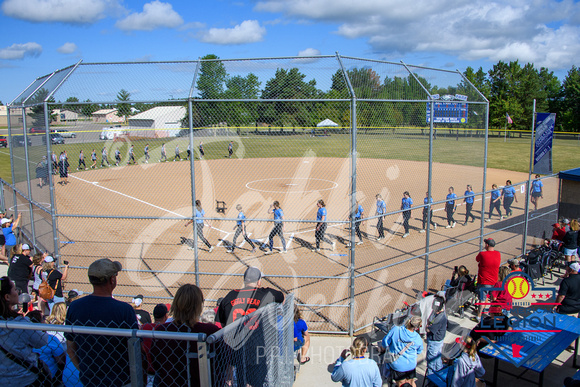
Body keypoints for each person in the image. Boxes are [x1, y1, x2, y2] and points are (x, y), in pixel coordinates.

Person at [65, 258, 138, 386]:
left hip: (89, 379)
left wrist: (84, 371)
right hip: (120, 379)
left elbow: (71, 348)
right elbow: (136, 348)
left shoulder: (75, 306)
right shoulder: (124, 309)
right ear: (112, 280)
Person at [150, 284, 220, 387]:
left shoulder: (163, 330)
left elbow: (156, 362)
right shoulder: (210, 331)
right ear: (199, 306)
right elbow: (223, 361)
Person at [0, 276, 51, 386]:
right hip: (25, 379)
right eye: (14, 289)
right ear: (7, 297)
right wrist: (41, 325)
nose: (17, 292)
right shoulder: (20, 324)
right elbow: (42, 341)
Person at [216, 266, 285, 327]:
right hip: (255, 338)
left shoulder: (231, 295)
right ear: (258, 282)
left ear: (244, 281)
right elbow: (281, 296)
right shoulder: (265, 294)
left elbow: (219, 321)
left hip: (232, 339)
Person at [380, 316, 423, 387]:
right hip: (411, 365)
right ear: (417, 327)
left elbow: (385, 342)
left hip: (398, 365)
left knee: (401, 384)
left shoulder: (396, 330)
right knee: (411, 383)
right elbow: (419, 351)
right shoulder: (417, 338)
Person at [473, 238, 501, 322]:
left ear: (487, 245)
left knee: (482, 299)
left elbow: (477, 259)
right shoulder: (498, 253)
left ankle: (478, 316)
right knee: (493, 299)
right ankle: (494, 314)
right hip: (494, 281)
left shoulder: (482, 254)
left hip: (484, 282)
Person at [141, 303, 169, 387]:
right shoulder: (166, 329)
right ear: (166, 316)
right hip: (160, 370)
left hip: (146, 369)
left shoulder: (145, 327)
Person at [425, 294, 447, 375]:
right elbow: (428, 320)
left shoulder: (440, 317)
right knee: (437, 360)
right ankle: (439, 375)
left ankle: (431, 380)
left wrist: (428, 327)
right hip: (437, 341)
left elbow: (428, 329)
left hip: (434, 341)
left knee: (431, 363)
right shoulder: (437, 313)